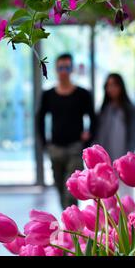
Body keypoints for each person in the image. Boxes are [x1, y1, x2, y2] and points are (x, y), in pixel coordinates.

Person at [36, 53, 96, 208]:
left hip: (75, 147)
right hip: (55, 148)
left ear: (72, 69)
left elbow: (93, 118)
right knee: (60, 188)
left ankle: (72, 224)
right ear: (56, 69)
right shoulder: (48, 94)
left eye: (67, 67)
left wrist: (87, 139)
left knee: (72, 189)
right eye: (60, 67)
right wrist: (44, 143)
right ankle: (69, 218)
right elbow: (40, 118)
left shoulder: (82, 94)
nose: (63, 71)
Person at [96, 73, 135, 195]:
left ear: (121, 87)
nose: (111, 88)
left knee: (124, 195)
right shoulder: (103, 110)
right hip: (107, 158)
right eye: (108, 85)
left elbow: (133, 136)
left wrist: (128, 158)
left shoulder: (129, 109)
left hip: (123, 157)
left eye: (114, 85)